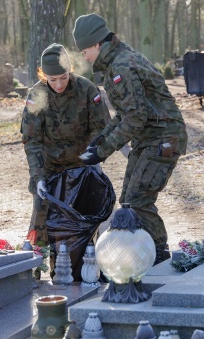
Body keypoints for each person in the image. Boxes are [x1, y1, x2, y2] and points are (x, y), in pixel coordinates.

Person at [72, 13, 188, 264]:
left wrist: (103, 152)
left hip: (162, 139)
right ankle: (149, 253)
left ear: (96, 44)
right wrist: (99, 140)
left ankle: (159, 255)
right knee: (130, 199)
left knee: (138, 200)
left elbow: (135, 118)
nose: (85, 57)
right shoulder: (118, 61)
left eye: (84, 51)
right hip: (149, 139)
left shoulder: (121, 66)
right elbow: (125, 113)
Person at [21, 43, 110, 279]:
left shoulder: (87, 89)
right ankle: (35, 273)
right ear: (43, 75)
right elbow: (32, 140)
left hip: (81, 164)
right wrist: (38, 177)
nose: (59, 84)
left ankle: (81, 271)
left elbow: (101, 128)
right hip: (48, 166)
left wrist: (93, 157)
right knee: (41, 215)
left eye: (63, 77)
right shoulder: (36, 95)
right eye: (53, 79)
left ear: (70, 71)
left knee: (80, 218)